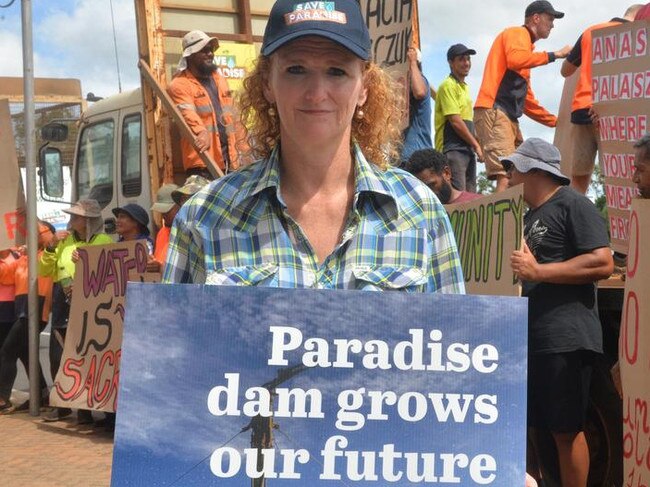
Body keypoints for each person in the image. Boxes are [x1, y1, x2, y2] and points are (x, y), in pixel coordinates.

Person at [164, 0, 464, 295]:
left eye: (337, 71)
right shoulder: (203, 218)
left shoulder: (420, 212)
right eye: (296, 69)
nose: (317, 93)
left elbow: (455, 339)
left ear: (364, 88)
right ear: (267, 82)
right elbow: (165, 343)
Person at [503, 138, 614, 487]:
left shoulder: (574, 205)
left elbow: (603, 261)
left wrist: (539, 273)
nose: (507, 176)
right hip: (531, 340)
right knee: (534, 431)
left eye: (512, 169)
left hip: (564, 339)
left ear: (532, 170)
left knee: (566, 431)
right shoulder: (524, 216)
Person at [474, 0, 571, 192]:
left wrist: (556, 122)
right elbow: (515, 60)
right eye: (550, 19)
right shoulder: (517, 34)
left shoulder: (526, 50)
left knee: (521, 171)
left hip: (506, 116)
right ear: (536, 18)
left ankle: (513, 219)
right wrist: (555, 55)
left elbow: (527, 101)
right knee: (506, 172)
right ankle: (498, 223)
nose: (552, 24)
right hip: (495, 111)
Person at [39, 199, 113, 423]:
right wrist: (51, 248)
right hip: (63, 302)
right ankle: (62, 403)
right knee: (58, 354)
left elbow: (108, 271)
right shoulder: (64, 241)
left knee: (88, 355)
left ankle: (86, 408)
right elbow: (44, 269)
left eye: (76, 217)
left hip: (91, 304)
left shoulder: (103, 240)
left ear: (89, 220)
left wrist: (87, 258)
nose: (71, 220)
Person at [560, 5, 642, 194]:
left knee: (579, 179)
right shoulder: (636, 35)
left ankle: (575, 221)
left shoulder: (590, 31)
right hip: (614, 112)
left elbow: (566, 70)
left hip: (581, 109)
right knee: (620, 175)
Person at [168, 30, 246, 179]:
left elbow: (234, 117)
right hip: (203, 164)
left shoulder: (220, 80)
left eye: (211, 50)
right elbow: (187, 114)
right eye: (204, 50)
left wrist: (245, 150)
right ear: (190, 55)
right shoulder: (179, 85)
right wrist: (201, 132)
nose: (210, 53)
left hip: (230, 162)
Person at [0, 222, 54, 412]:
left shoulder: (47, 255)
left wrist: (31, 220)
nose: (31, 235)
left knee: (7, 351)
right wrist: (6, 251)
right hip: (22, 310)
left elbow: (49, 242)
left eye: (36, 232)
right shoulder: (23, 258)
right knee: (25, 354)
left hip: (36, 309)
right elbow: (5, 276)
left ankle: (2, 398)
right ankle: (41, 394)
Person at [434, 43, 482, 193]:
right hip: (452, 149)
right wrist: (476, 145)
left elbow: (467, 121)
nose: (466, 63)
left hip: (466, 149)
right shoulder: (448, 86)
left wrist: (476, 142)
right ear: (450, 62)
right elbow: (455, 121)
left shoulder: (464, 87)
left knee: (470, 197)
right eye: (461, 59)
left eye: (468, 59)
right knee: (457, 197)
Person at [404, 149, 482, 205]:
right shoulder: (420, 216)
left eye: (431, 185)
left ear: (446, 173)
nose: (428, 193)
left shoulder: (478, 203)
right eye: (422, 189)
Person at [400, 46, 435, 161]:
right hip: (402, 157)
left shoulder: (421, 82)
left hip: (417, 155)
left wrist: (413, 63)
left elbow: (419, 92)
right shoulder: (401, 89)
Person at [150, 184, 180, 270]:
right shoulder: (162, 233)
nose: (163, 215)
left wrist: (160, 267)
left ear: (180, 205)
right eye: (161, 211)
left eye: (167, 211)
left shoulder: (188, 233)